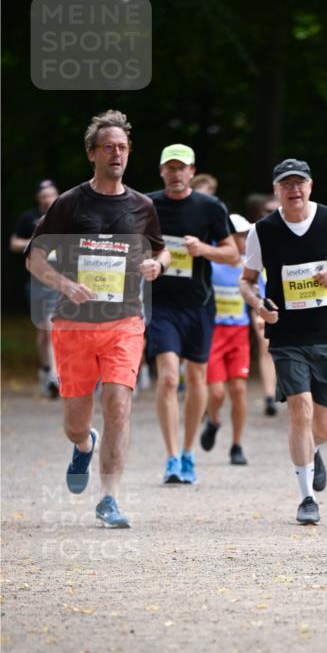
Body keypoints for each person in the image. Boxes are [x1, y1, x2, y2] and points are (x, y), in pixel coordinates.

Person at [25, 109, 169, 528]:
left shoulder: (142, 206)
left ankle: (109, 499)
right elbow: (34, 258)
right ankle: (84, 443)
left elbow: (161, 250)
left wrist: (157, 265)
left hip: (124, 322)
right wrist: (65, 284)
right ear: (92, 153)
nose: (116, 154)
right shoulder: (69, 203)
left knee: (119, 405)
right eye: (108, 147)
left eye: (122, 147)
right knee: (76, 422)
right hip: (73, 323)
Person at [240, 158, 327, 524]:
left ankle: (313, 451)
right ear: (276, 190)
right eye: (287, 184)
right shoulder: (262, 231)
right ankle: (307, 498)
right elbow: (247, 281)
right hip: (287, 335)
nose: (294, 190)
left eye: (300, 183)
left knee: (323, 427)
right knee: (300, 409)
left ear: (310, 186)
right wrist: (258, 305)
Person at [146, 144, 237, 484]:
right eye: (170, 167)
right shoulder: (147, 205)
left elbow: (232, 253)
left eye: (182, 167)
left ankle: (188, 453)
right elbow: (128, 244)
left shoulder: (210, 207)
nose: (176, 173)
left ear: (192, 171)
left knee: (197, 379)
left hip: (198, 304)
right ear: (162, 171)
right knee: (169, 377)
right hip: (160, 305)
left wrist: (203, 249)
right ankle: (171, 458)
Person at [200, 213, 262, 465]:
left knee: (238, 390)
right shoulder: (212, 266)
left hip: (239, 335)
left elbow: (260, 296)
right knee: (216, 394)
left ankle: (237, 445)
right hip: (214, 334)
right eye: (241, 236)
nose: (246, 240)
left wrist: (261, 315)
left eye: (247, 235)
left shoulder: (251, 266)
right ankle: (213, 421)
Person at [11, 179, 60, 397]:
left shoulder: (65, 215)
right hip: (37, 282)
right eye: (43, 196)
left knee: (52, 326)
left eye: (51, 194)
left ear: (57, 195)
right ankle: (47, 370)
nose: (47, 199)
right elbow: (14, 243)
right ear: (38, 198)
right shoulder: (28, 217)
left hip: (60, 279)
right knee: (43, 331)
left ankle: (55, 376)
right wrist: (36, 242)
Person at [246, 192, 280, 415]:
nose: (273, 214)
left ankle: (290, 388)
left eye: (276, 210)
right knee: (266, 347)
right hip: (262, 300)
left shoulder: (297, 233)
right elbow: (247, 273)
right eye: (268, 211)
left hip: (292, 302)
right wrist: (256, 302)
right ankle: (269, 396)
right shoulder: (255, 235)